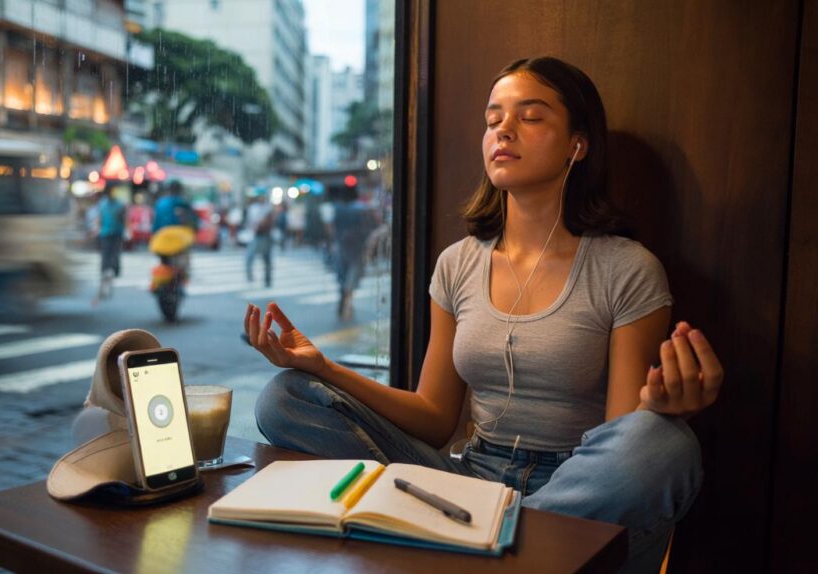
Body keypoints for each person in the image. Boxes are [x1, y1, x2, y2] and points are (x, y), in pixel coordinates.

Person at [244, 57, 723, 573]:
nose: (503, 131)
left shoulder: (626, 268)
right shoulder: (458, 262)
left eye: (530, 117)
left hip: (573, 486)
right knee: (285, 396)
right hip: (466, 478)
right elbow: (433, 418)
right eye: (493, 119)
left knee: (661, 444)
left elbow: (622, 437)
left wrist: (662, 409)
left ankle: (486, 543)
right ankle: (508, 548)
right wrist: (324, 368)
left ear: (577, 145)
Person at [331, 185, 376, 320]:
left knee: (343, 276)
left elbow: (332, 227)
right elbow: (368, 229)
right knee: (351, 277)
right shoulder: (362, 209)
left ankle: (344, 300)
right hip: (356, 250)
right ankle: (347, 304)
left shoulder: (337, 209)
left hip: (341, 248)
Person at [93, 189, 125, 304]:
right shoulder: (112, 205)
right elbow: (99, 219)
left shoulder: (110, 205)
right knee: (110, 255)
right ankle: (108, 272)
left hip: (112, 234)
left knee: (110, 255)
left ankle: (109, 272)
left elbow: (99, 219)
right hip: (109, 233)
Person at [244, 194, 275, 287]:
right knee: (250, 257)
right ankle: (250, 276)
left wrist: (260, 225)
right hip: (256, 236)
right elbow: (250, 221)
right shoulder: (253, 208)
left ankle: (267, 279)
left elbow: (269, 222)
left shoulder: (268, 209)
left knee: (266, 259)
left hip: (265, 236)